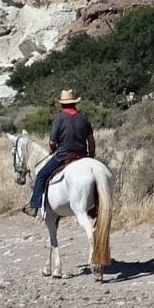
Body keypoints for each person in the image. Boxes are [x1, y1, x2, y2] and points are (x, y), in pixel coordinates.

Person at [26, 88, 96, 216]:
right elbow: (91, 140)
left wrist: (54, 151)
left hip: (63, 156)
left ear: (62, 104)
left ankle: (34, 205)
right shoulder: (83, 118)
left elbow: (52, 142)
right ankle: (94, 206)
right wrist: (90, 158)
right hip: (82, 156)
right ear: (75, 103)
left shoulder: (59, 119)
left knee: (41, 175)